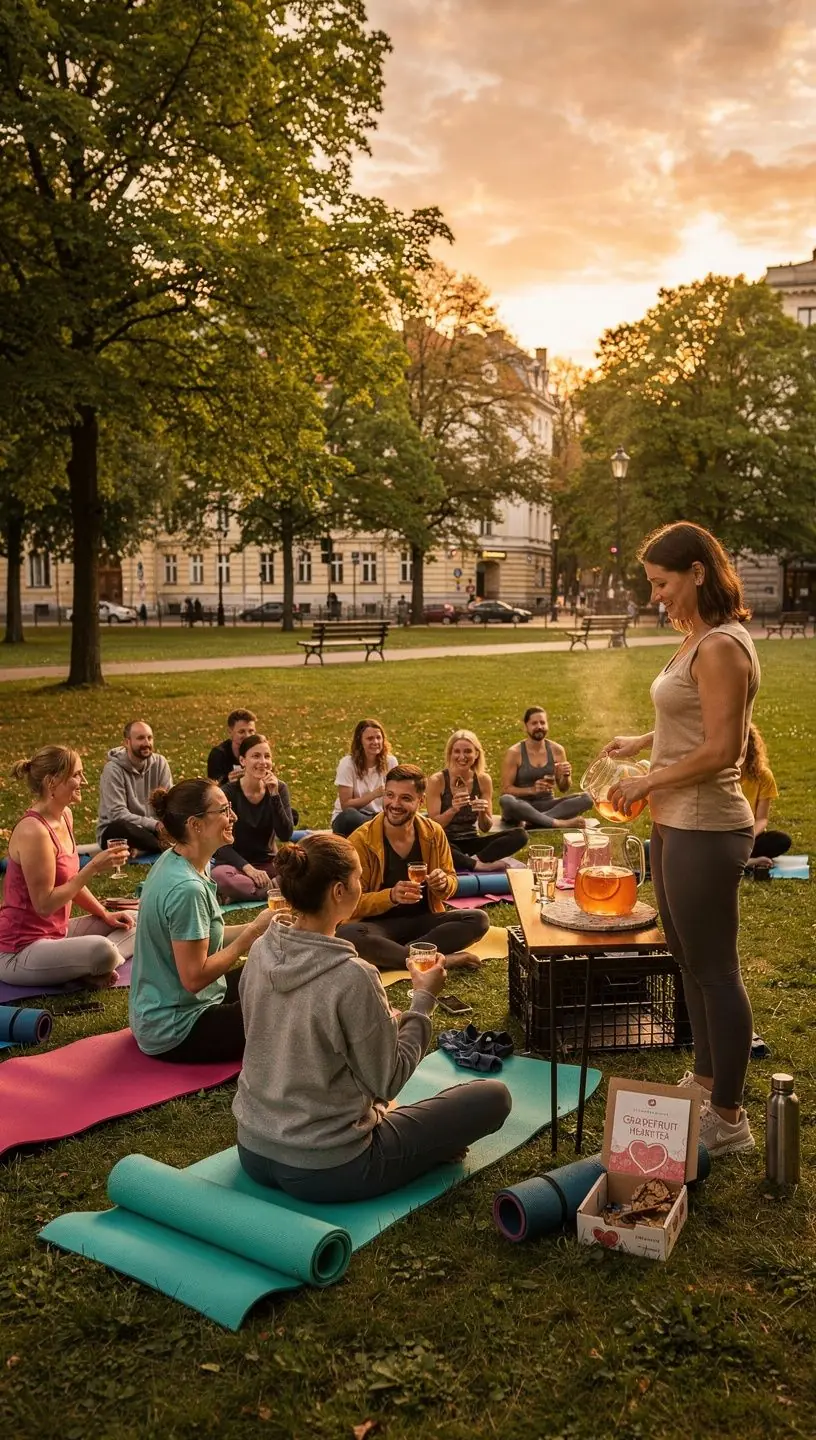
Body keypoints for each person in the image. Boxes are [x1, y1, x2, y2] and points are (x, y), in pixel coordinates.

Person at [234, 833, 511, 1203]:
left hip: (253, 1149)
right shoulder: (353, 975)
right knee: (492, 1097)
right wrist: (424, 999)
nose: (361, 886)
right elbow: (388, 1081)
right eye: (358, 879)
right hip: (331, 1167)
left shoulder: (260, 949)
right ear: (338, 891)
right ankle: (423, 1148)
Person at [604, 521, 760, 1159]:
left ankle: (729, 1116)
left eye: (662, 583)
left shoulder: (721, 645)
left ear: (698, 572)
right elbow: (694, 715)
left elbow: (725, 747)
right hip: (674, 822)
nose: (655, 596)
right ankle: (704, 1082)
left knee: (716, 971)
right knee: (689, 963)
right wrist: (644, 743)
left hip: (706, 825)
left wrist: (648, 781)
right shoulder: (696, 638)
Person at [129, 779, 273, 1062]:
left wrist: (257, 927)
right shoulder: (187, 890)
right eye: (223, 810)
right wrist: (251, 933)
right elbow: (194, 978)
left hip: (167, 1010)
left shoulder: (177, 859)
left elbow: (202, 936)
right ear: (195, 824)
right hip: (177, 1028)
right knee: (287, 1007)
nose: (233, 816)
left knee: (273, 972)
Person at [0, 747, 136, 988]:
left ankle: (86, 968)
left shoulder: (65, 816)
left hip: (58, 935)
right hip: (20, 950)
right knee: (102, 950)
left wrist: (105, 915)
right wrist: (92, 867)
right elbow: (44, 905)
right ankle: (93, 964)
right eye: (76, 775)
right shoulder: (34, 831)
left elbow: (69, 881)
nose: (84, 781)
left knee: (136, 920)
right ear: (51, 782)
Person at [337, 765, 489, 971]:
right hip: (377, 926)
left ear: (421, 801)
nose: (394, 804)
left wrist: (444, 883)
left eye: (405, 798)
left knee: (478, 919)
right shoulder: (361, 840)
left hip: (423, 922)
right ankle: (438, 960)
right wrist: (390, 896)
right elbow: (350, 903)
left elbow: (451, 881)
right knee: (347, 935)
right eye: (390, 795)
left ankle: (398, 956)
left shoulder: (433, 833)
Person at [426, 730, 526, 872]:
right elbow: (434, 825)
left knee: (520, 835)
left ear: (476, 754)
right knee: (433, 844)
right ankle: (479, 865)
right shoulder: (437, 780)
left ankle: (474, 860)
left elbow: (485, 828)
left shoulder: (483, 780)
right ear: (450, 754)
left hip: (472, 841)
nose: (462, 757)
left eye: (468, 751)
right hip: (446, 841)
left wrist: (482, 812)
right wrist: (453, 809)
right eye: (457, 752)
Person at [211, 734, 295, 901]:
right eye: (256, 756)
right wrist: (248, 869)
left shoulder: (279, 788)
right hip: (235, 865)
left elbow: (285, 834)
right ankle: (273, 889)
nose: (263, 762)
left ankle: (244, 892)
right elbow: (220, 843)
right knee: (219, 876)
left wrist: (274, 795)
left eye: (267, 756)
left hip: (268, 864)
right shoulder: (228, 792)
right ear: (243, 761)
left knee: (299, 868)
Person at [499, 708, 592, 829]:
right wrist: (532, 790)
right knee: (506, 800)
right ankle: (557, 822)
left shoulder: (557, 750)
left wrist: (565, 775)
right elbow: (506, 789)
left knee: (586, 799)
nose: (539, 726)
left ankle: (536, 821)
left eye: (542, 722)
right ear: (525, 726)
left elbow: (563, 788)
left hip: (547, 805)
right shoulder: (515, 752)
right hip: (520, 807)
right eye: (534, 723)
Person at [97, 720, 172, 854]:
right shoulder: (113, 770)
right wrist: (155, 825)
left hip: (153, 829)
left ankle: (146, 847)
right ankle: (166, 848)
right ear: (127, 742)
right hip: (121, 831)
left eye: (149, 738)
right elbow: (117, 814)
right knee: (120, 826)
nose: (147, 743)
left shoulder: (160, 763)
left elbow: (169, 802)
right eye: (140, 738)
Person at [331, 718, 398, 836]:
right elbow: (346, 805)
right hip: (353, 818)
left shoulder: (391, 762)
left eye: (378, 737)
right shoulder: (347, 764)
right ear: (360, 741)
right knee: (349, 817)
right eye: (370, 738)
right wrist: (374, 794)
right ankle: (377, 828)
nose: (375, 742)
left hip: (378, 816)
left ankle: (378, 827)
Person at [740, 724, 791, 871]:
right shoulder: (721, 773)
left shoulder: (763, 776)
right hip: (723, 833)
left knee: (781, 840)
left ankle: (738, 859)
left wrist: (748, 837)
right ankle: (747, 862)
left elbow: (761, 819)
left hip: (749, 834)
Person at [207, 710, 257, 787]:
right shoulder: (219, 754)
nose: (247, 736)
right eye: (241, 732)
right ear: (230, 732)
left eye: (251, 731)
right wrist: (228, 782)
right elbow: (212, 788)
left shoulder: (259, 751)